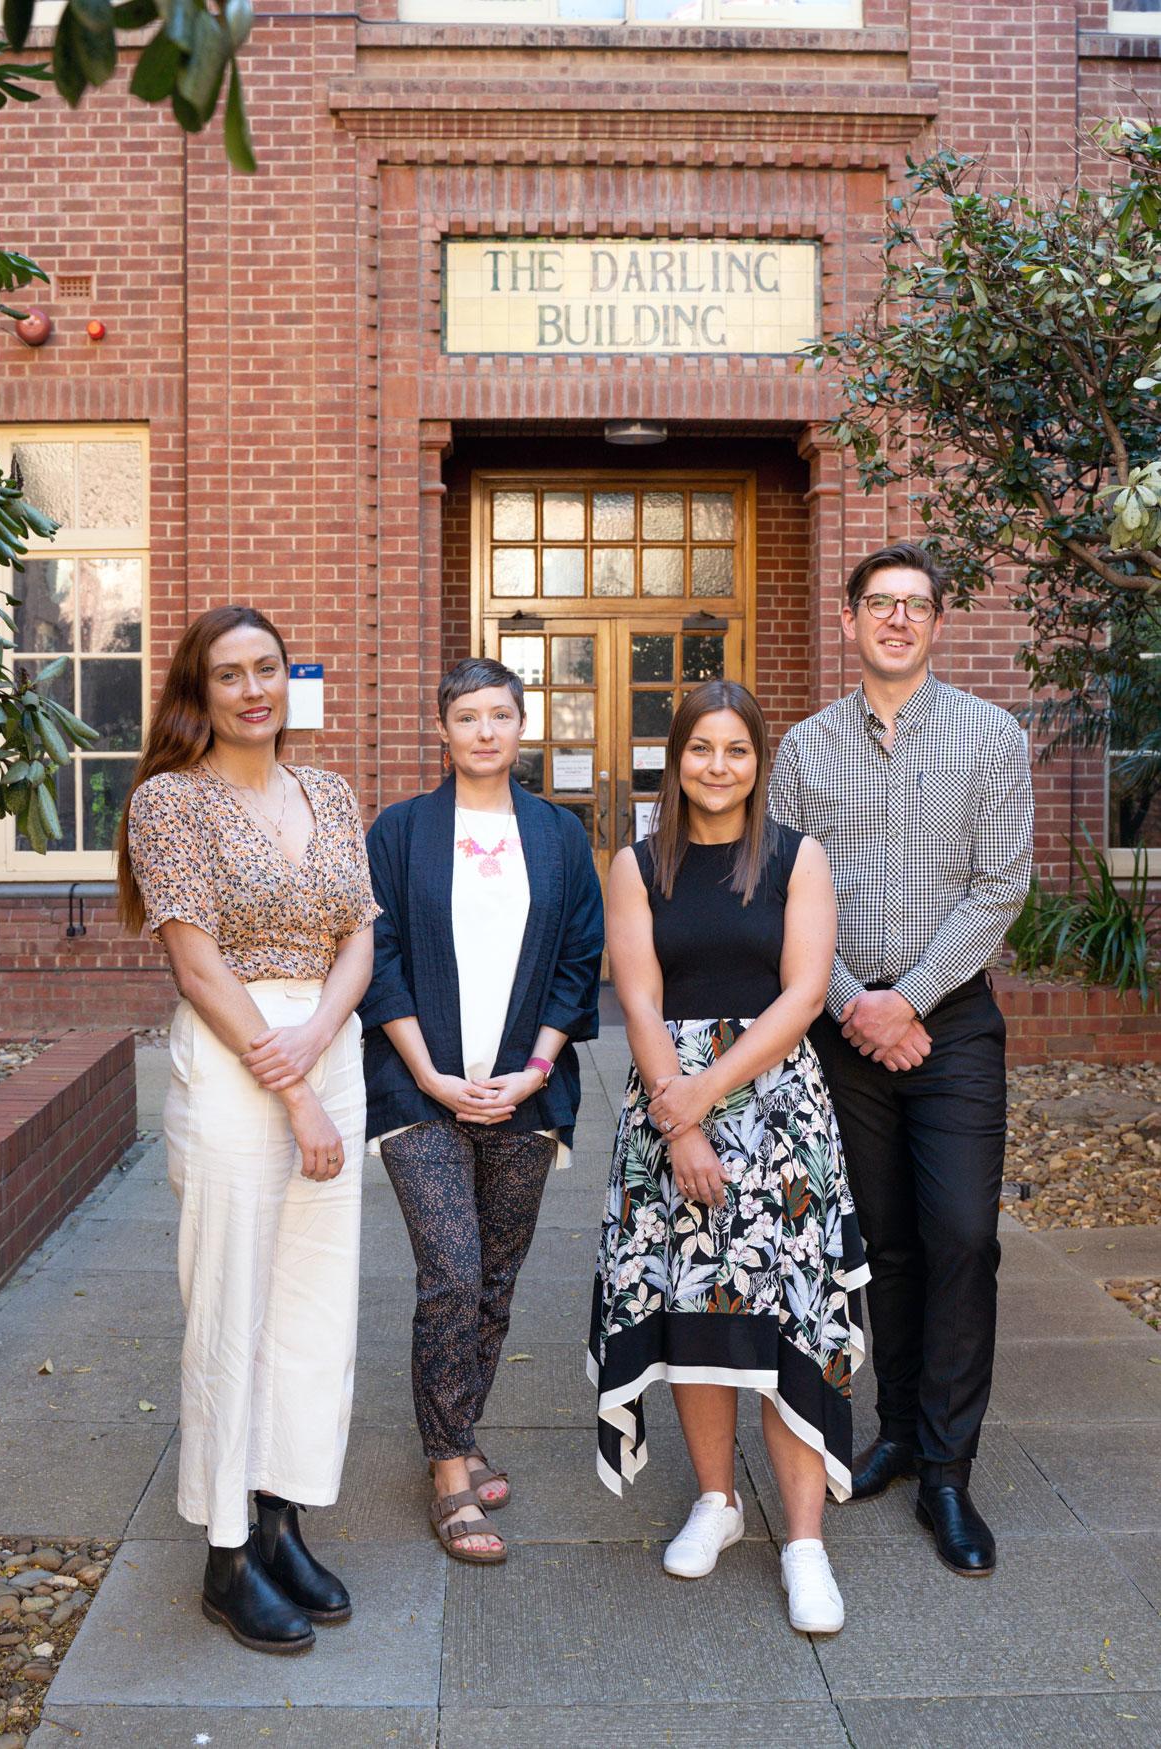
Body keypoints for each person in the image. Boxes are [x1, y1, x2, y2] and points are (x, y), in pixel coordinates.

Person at [118, 605, 378, 1655]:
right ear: (199, 691)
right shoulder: (169, 802)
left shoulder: (328, 790)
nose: (251, 688)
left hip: (328, 1034)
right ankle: (226, 1556)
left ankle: (282, 1521)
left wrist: (321, 1034)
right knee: (230, 1304)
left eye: (265, 668)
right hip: (236, 1059)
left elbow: (359, 932)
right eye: (227, 674)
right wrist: (295, 1086)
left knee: (315, 1305)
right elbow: (195, 963)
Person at [772, 542, 1034, 1578]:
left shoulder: (989, 736)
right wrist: (853, 1006)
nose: (893, 620)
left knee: (963, 1234)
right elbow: (787, 890)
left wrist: (907, 1002)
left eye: (912, 606)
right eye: (876, 604)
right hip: (843, 1024)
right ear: (848, 623)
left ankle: (947, 1471)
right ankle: (894, 1430)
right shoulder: (801, 749)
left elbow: (998, 887)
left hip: (950, 1024)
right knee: (881, 1238)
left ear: (935, 625)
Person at [589, 679, 869, 1635]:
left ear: (759, 761)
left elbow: (800, 996)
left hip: (777, 1109)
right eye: (701, 748)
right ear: (679, 758)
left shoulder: (796, 857)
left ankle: (804, 1543)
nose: (718, 766)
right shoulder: (636, 863)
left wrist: (709, 1094)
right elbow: (638, 997)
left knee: (787, 1315)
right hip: (670, 1103)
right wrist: (683, 1123)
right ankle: (716, 1499)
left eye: (736, 750)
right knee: (696, 1306)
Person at [360, 656, 603, 1566]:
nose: (486, 732)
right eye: (467, 717)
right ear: (443, 728)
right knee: (452, 1273)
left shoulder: (557, 834)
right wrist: (426, 1070)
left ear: (521, 723)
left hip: (526, 1094)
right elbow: (377, 956)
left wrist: (537, 1069)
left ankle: (461, 1428)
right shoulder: (401, 831)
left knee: (495, 1282)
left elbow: (582, 956)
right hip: (418, 1089)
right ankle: (448, 1471)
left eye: (501, 715)